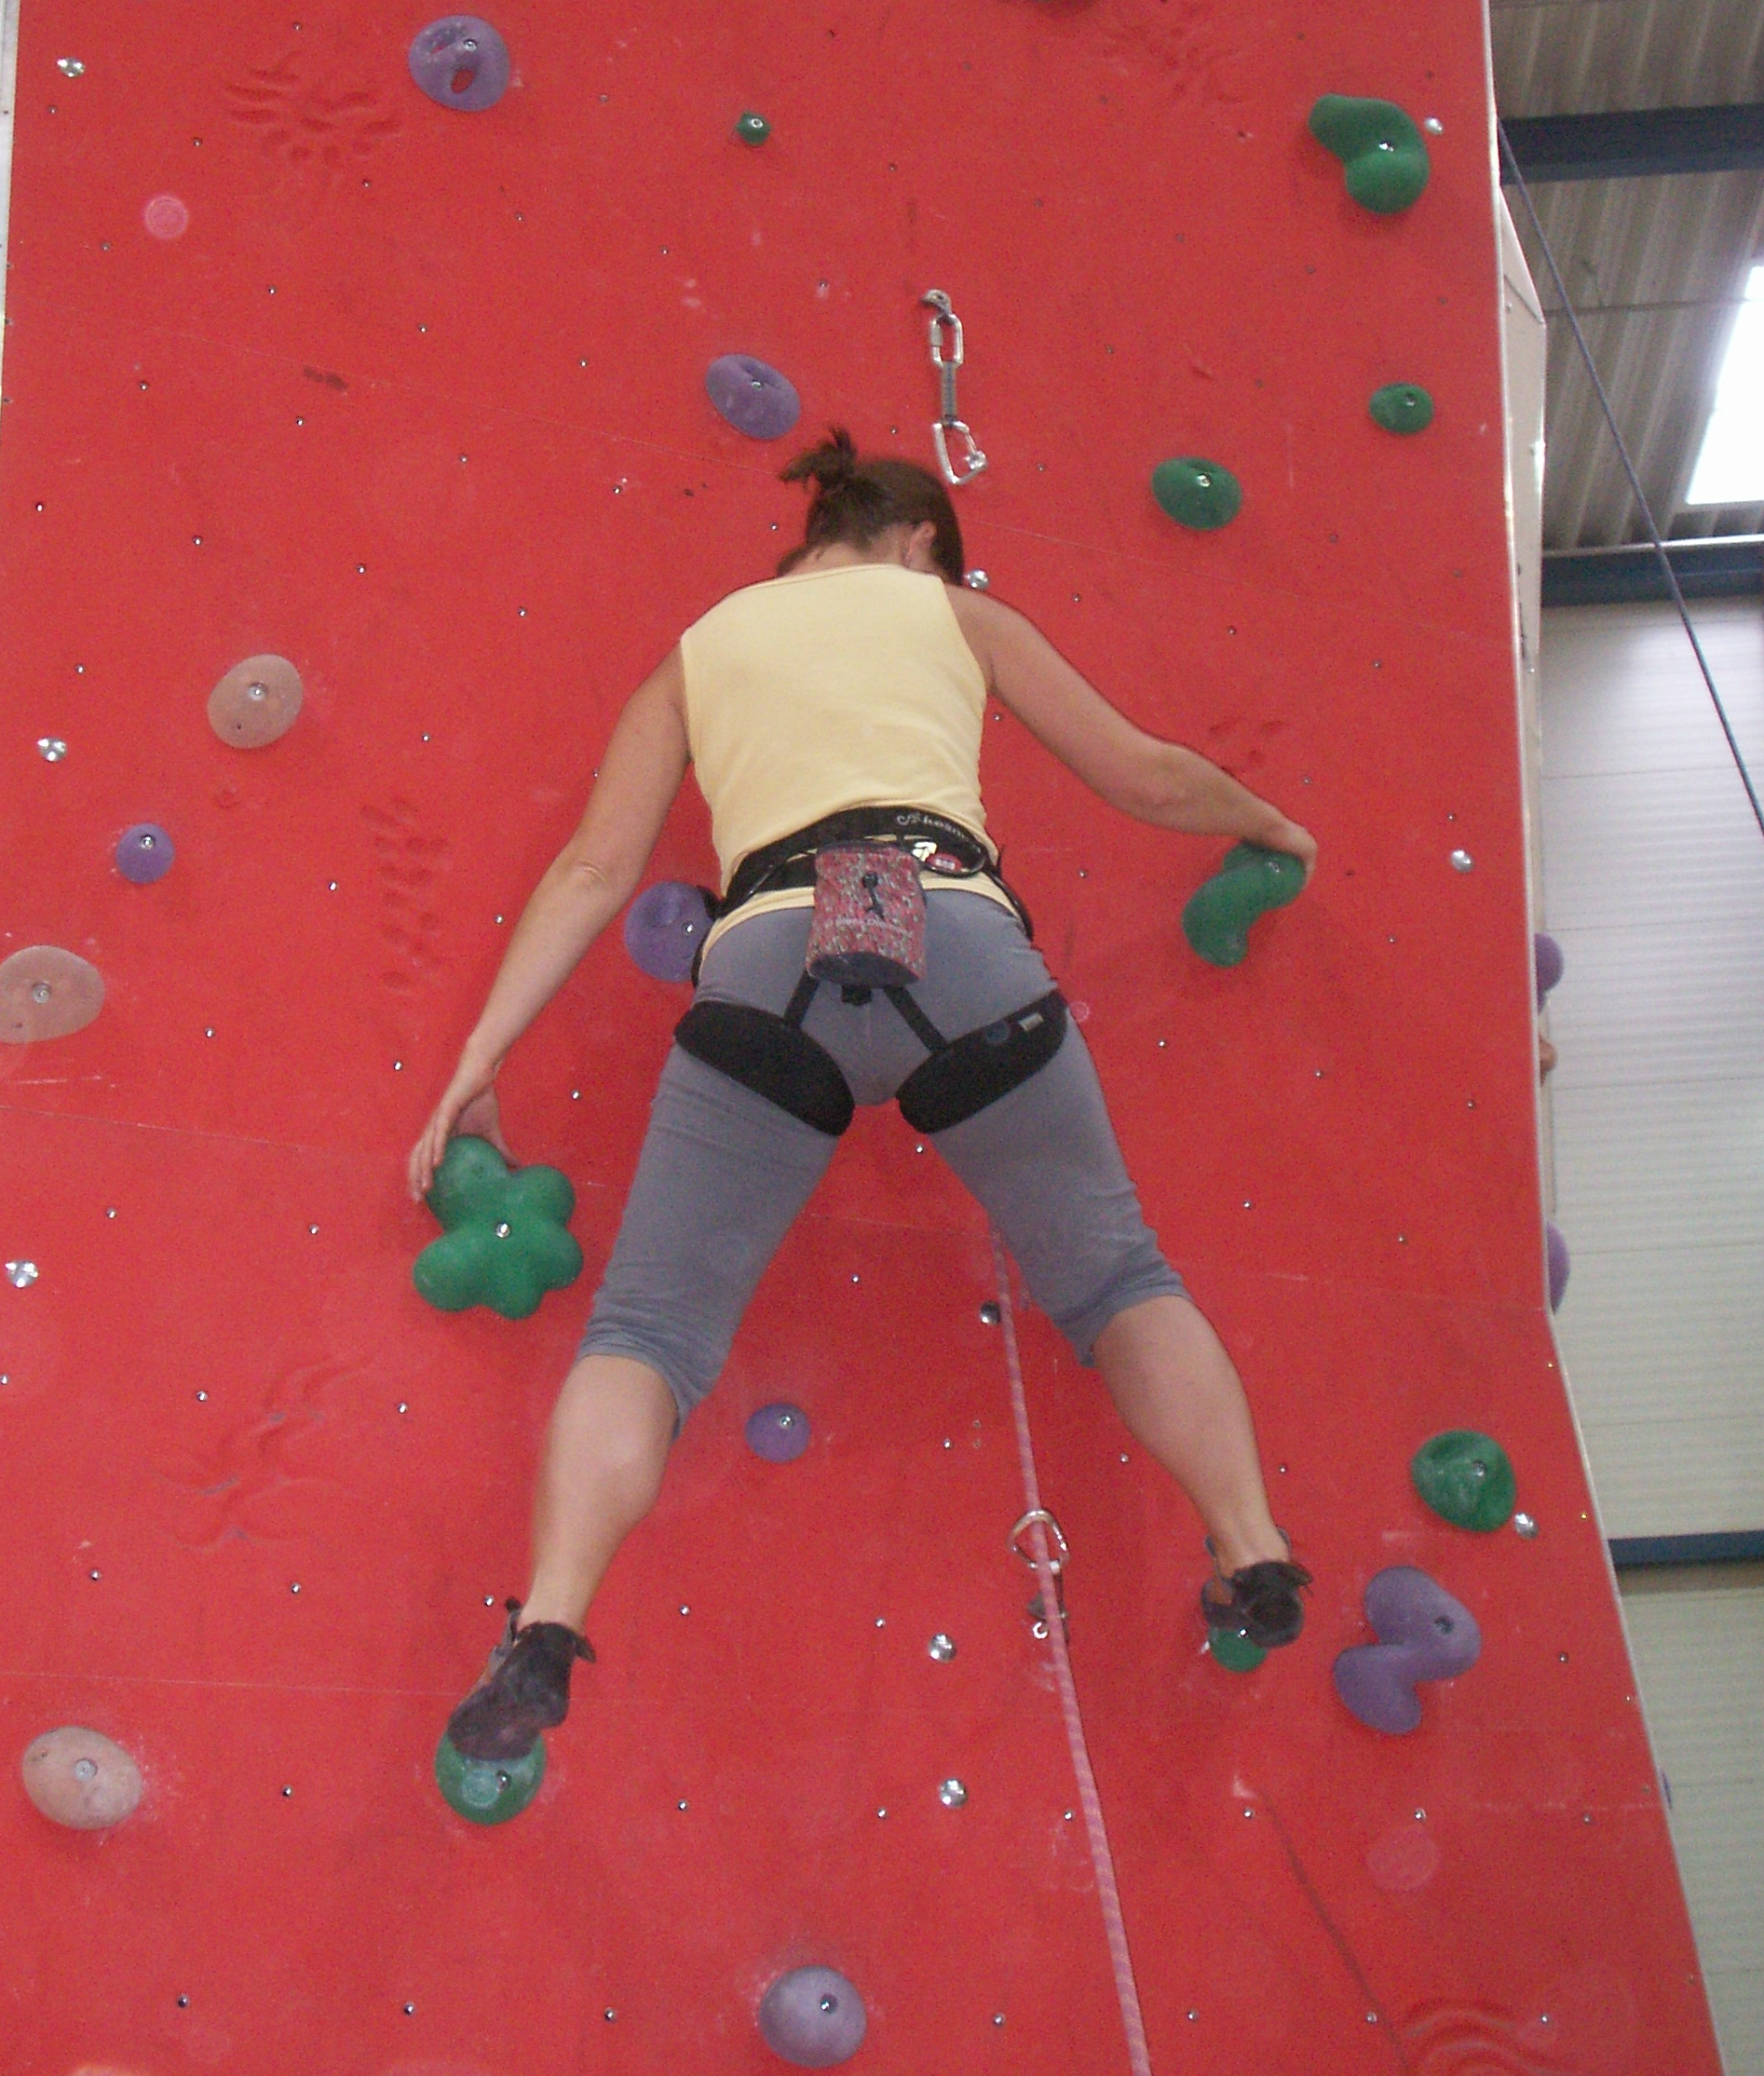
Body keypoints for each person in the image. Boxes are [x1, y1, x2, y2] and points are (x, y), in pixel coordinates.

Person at [407, 431, 1319, 1768]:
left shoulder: (699, 651)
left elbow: (594, 870)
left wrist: (479, 1056)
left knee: (648, 1333)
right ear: (918, 543)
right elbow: (1145, 773)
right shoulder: (953, 612)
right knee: (1120, 1277)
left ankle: (546, 1624)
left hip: (771, 957)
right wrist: (1269, 823)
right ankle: (1253, 1548)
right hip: (955, 937)